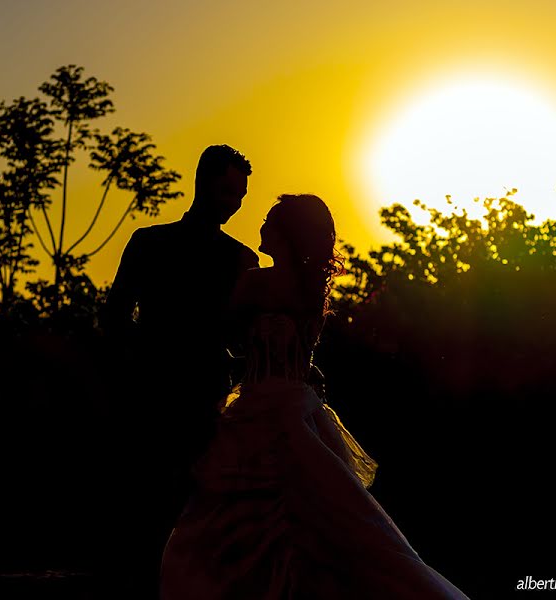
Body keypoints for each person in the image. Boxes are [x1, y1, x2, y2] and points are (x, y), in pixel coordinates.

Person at [159, 194, 469, 599]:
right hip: (299, 406)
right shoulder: (310, 291)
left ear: (287, 233)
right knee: (322, 512)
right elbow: (302, 357)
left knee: (244, 509)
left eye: (270, 220)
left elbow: (227, 339)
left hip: (259, 407)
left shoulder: (254, 281)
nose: (262, 226)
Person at [101, 144, 259, 596]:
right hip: (150, 398)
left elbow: (244, 338)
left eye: (241, 195)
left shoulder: (241, 257)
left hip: (207, 403)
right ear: (203, 182)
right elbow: (114, 318)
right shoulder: (148, 243)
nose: (235, 202)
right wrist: (140, 366)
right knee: (146, 510)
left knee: (193, 512)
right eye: (229, 190)